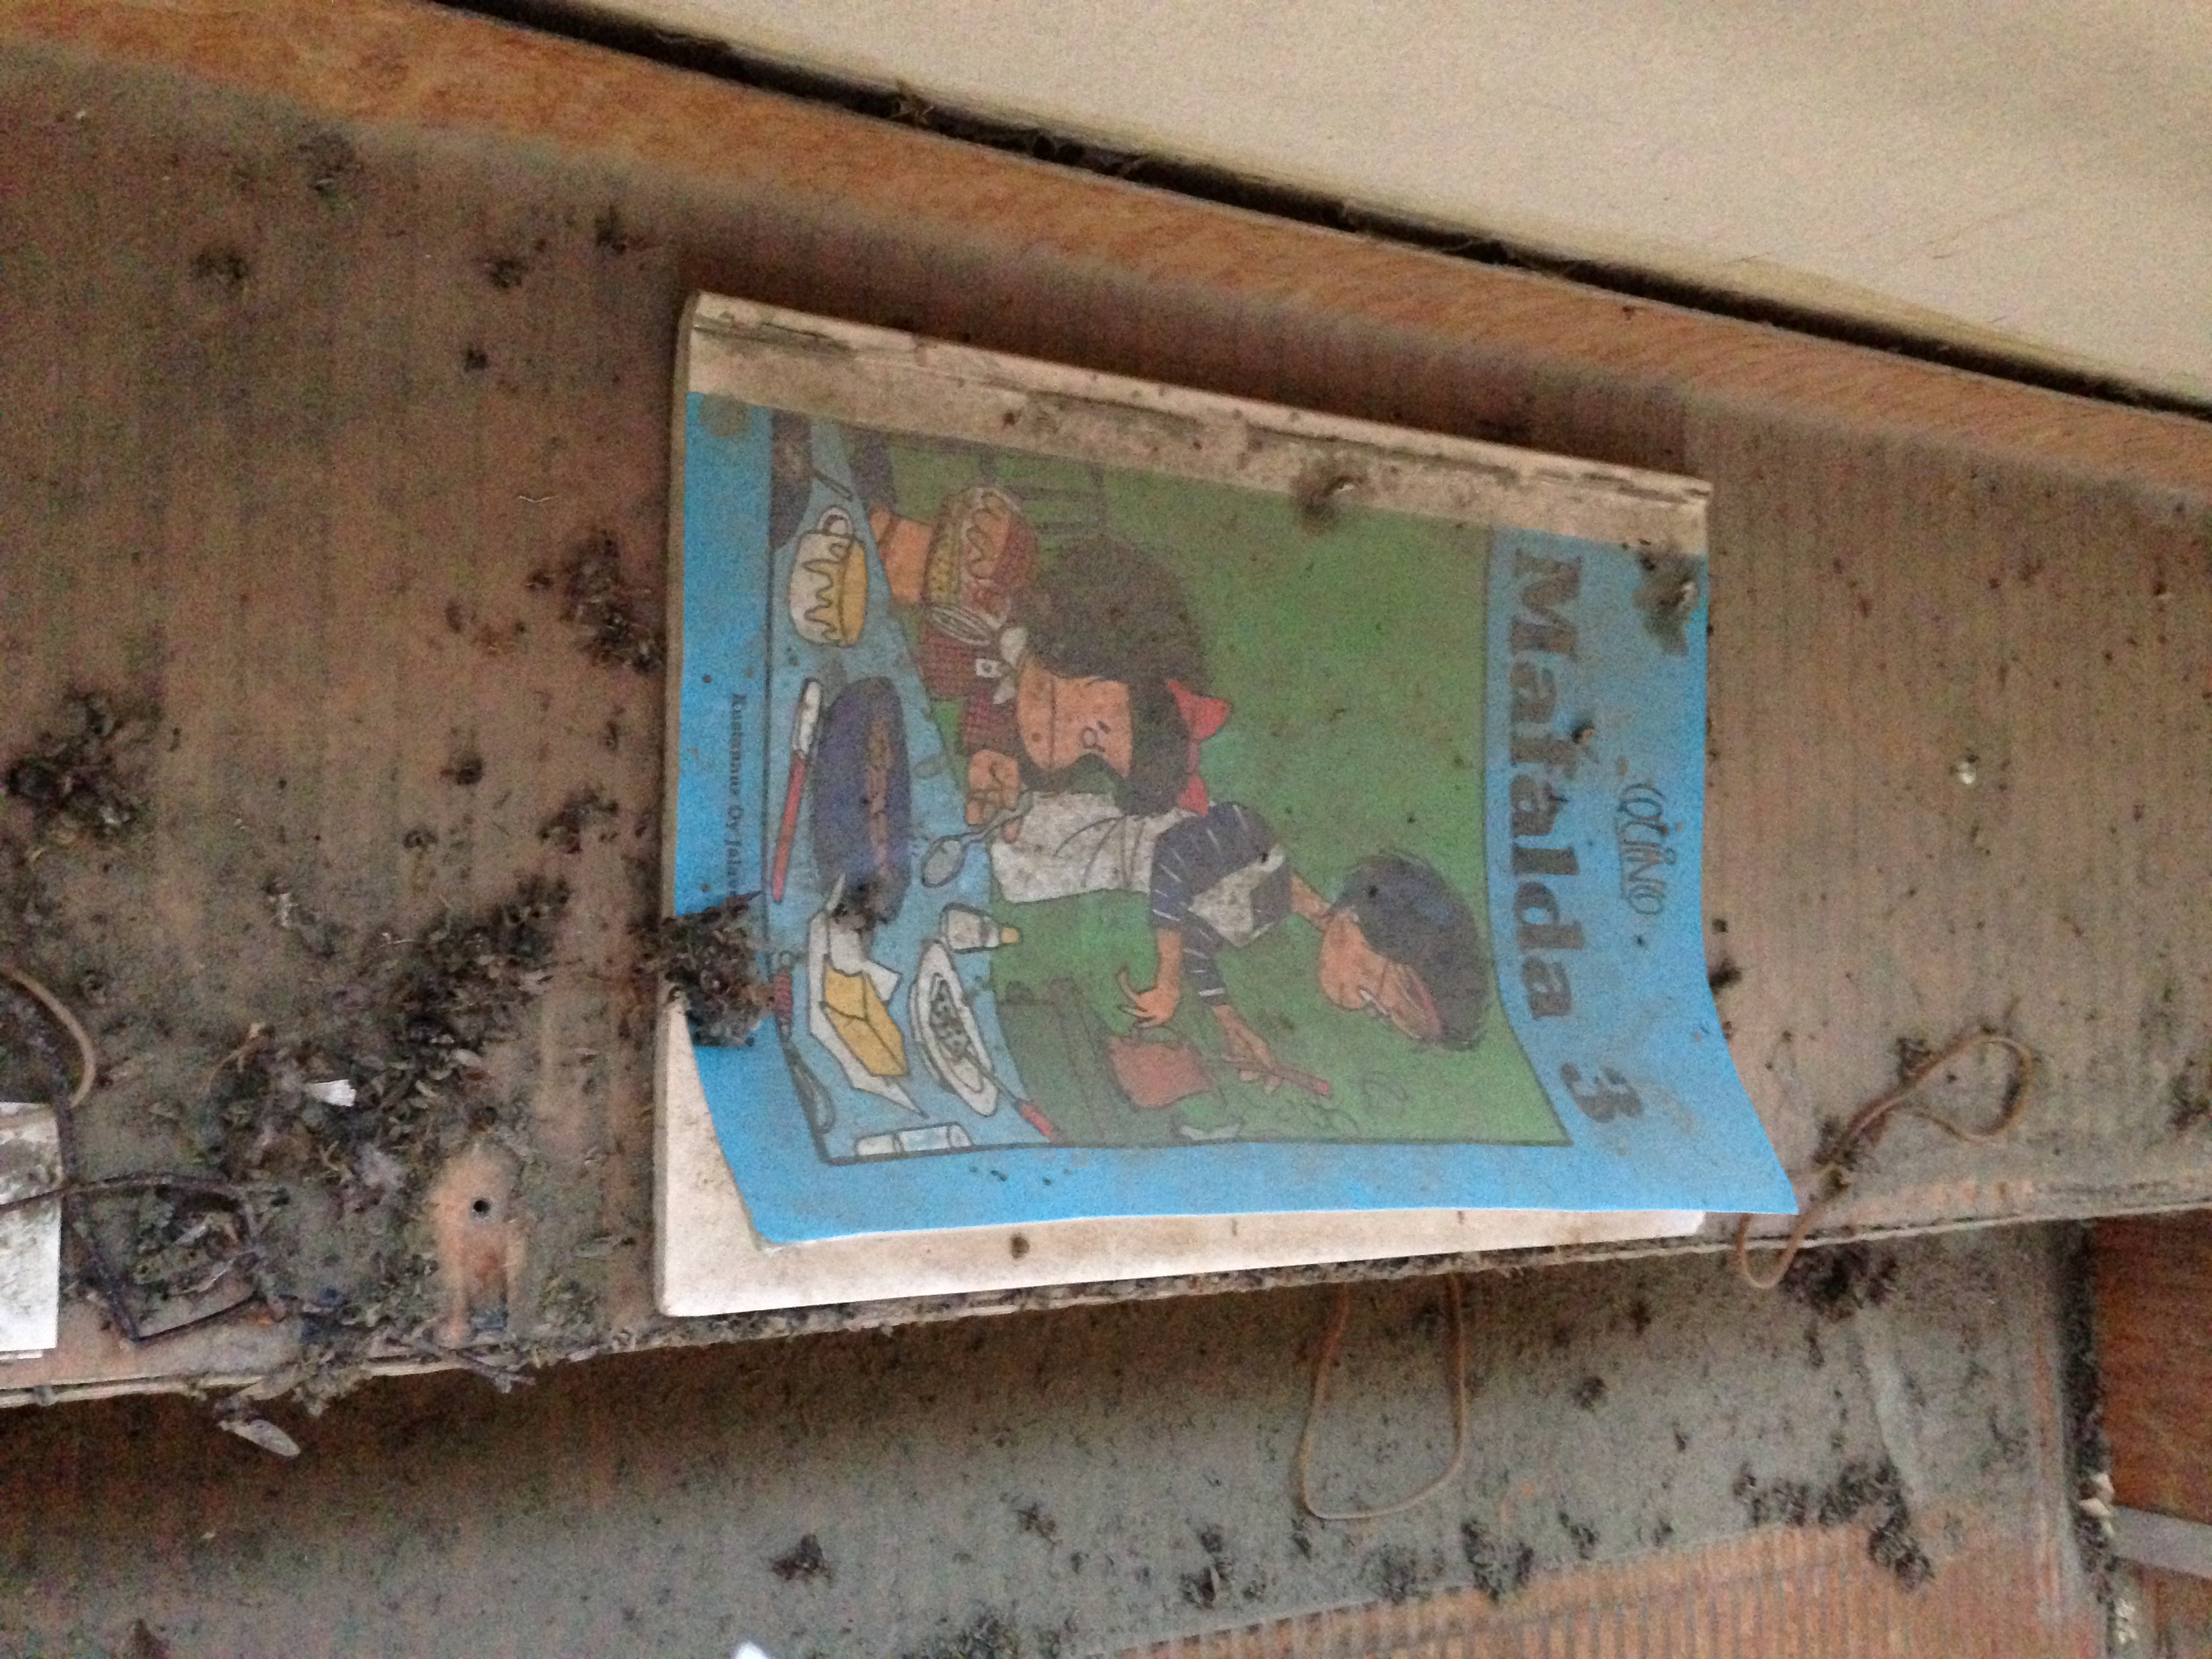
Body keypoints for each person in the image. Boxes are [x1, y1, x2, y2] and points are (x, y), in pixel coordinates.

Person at [1118, 804, 1487, 1086]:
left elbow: (1194, 940)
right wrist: (1168, 980)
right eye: (1375, 995)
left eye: (1380, 1016)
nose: (1355, 1004)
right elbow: (1172, 855)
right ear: (1366, 923)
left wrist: (1230, 1022)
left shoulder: (1267, 909)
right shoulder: (1249, 835)